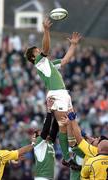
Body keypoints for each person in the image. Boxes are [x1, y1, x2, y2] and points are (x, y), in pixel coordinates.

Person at [25, 17, 82, 164]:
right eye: (37, 51)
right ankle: (67, 156)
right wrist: (46, 30)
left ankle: (71, 152)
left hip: (63, 93)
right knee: (64, 125)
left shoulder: (48, 64)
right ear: (33, 57)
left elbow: (65, 60)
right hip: (56, 94)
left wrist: (73, 45)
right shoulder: (39, 62)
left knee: (71, 123)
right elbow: (46, 49)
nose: (40, 51)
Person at [32, 111, 59, 180]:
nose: (42, 132)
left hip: (49, 177)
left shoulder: (49, 142)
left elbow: (54, 129)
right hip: (41, 178)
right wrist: (49, 112)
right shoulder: (38, 144)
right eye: (39, 132)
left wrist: (57, 113)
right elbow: (46, 129)